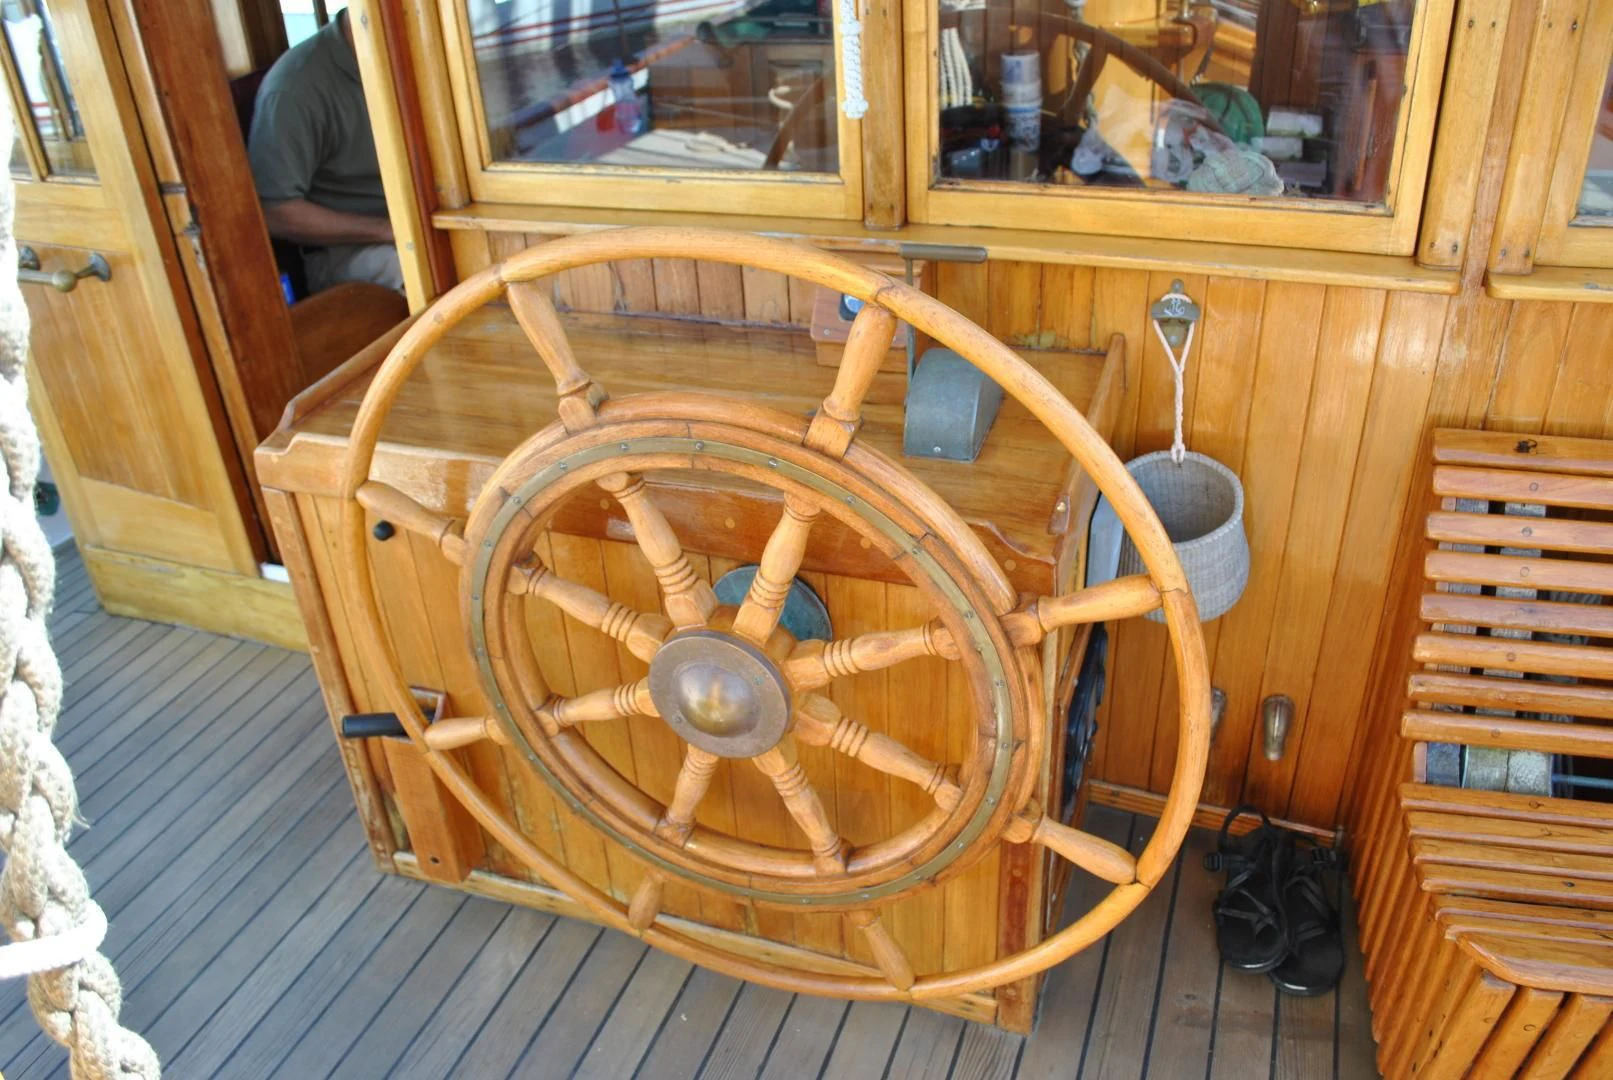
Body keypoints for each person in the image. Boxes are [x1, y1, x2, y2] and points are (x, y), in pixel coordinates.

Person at [247, 9, 401, 293]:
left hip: (422, 224)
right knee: (446, 280)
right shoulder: (293, 89)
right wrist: (389, 230)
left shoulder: (414, 54)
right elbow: (275, 212)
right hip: (347, 251)